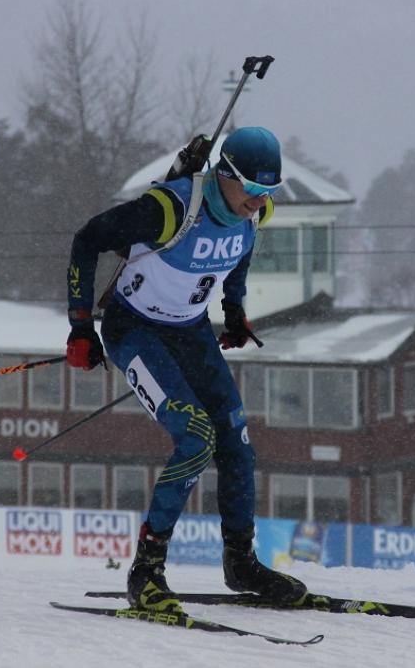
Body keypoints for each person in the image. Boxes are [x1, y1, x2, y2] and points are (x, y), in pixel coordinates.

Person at [65, 126, 307, 612]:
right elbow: (87, 239)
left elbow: (241, 251)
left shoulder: (254, 214)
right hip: (134, 330)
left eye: (270, 192)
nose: (260, 202)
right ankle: (146, 572)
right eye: (254, 190)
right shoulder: (169, 208)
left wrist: (234, 309)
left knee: (236, 442)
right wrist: (80, 325)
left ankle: (241, 563)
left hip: (190, 330)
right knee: (197, 436)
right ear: (225, 175)